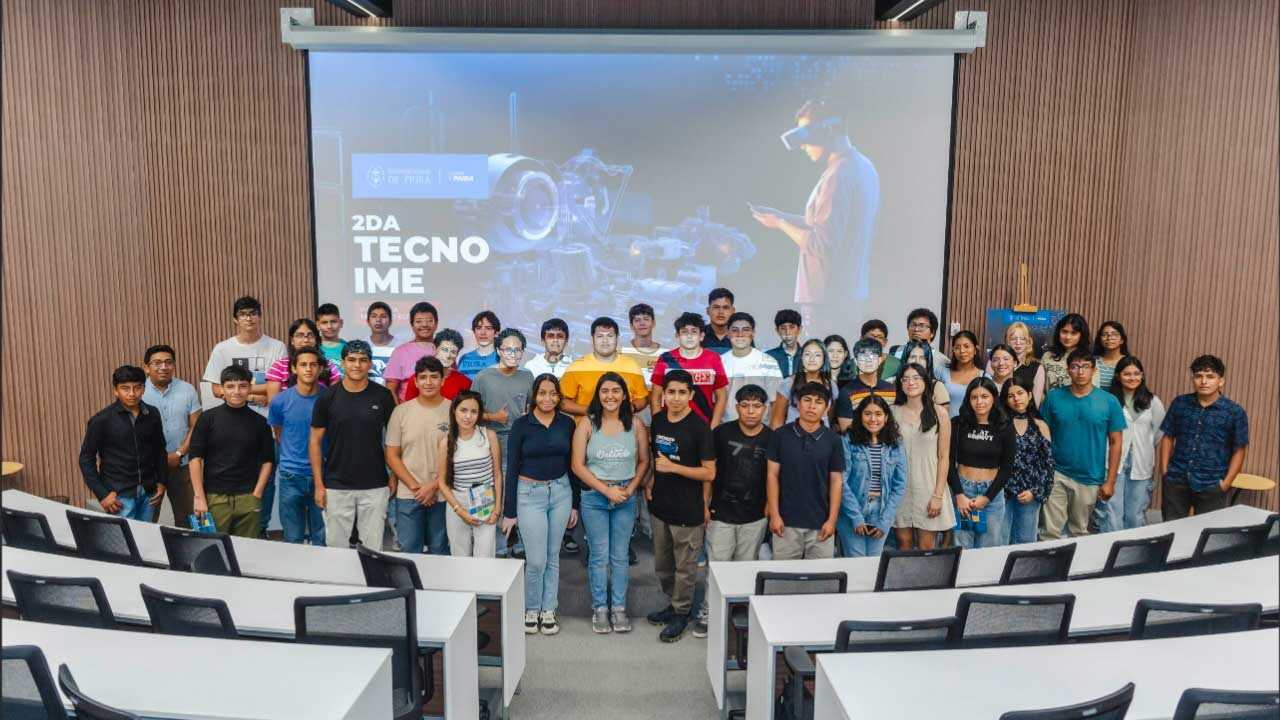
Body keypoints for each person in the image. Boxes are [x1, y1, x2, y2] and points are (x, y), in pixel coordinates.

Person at [751, 98, 879, 327]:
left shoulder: (837, 177)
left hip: (826, 301)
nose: (802, 146)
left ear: (826, 132)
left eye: (806, 137)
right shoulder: (862, 166)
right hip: (848, 294)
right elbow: (828, 226)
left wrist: (780, 223)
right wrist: (780, 216)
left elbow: (821, 244)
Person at [573, 372, 650, 634]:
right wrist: (607, 491)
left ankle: (618, 608)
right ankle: (600, 609)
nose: (610, 396)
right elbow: (577, 465)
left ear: (624, 395)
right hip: (595, 497)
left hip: (625, 497)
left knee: (619, 556)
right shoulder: (587, 423)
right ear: (598, 395)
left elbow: (644, 461)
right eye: (605, 391)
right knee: (599, 556)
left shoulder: (635, 424)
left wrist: (630, 488)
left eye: (616, 391)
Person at [502, 374, 577, 635]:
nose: (548, 398)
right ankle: (531, 608)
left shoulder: (567, 423)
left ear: (559, 396)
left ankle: (548, 609)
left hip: (561, 493)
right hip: (529, 495)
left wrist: (575, 504)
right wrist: (510, 511)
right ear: (534, 395)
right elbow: (512, 468)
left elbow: (572, 465)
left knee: (553, 556)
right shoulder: (521, 425)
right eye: (542, 393)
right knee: (535, 560)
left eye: (553, 393)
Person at [645, 370, 717, 642]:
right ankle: (673, 604)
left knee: (685, 569)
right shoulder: (659, 420)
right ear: (663, 394)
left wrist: (674, 468)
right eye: (671, 392)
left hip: (688, 510)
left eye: (682, 393)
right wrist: (651, 478)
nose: (675, 398)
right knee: (663, 565)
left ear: (691, 395)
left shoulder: (700, 428)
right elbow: (655, 458)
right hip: (660, 506)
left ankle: (682, 613)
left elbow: (709, 472)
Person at [310, 340, 396, 548]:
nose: (357, 365)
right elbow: (314, 441)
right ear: (342, 363)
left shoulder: (383, 396)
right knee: (336, 549)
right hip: (336, 484)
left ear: (370, 364)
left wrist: (394, 476)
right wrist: (319, 485)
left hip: (375, 484)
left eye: (363, 360)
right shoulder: (327, 397)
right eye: (352, 360)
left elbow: (395, 440)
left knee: (373, 549)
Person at [1038, 350, 1126, 540]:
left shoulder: (1109, 401)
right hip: (1056, 473)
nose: (1080, 371)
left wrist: (1110, 482)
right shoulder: (1054, 397)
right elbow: (1042, 434)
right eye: (1075, 367)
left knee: (1079, 531)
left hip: (1090, 476)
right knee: (1049, 532)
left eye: (1085, 366)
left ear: (1094, 370)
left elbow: (1116, 441)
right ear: (1068, 370)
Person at [1158, 355, 1248, 520]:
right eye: (1198, 376)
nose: (1203, 381)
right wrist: (1165, 472)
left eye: (1210, 376)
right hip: (1176, 479)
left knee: (1206, 532)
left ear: (1221, 381)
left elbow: (1239, 450)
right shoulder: (1180, 403)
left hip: (1212, 484)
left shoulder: (1235, 412)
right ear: (1193, 379)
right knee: (1170, 528)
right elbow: (1168, 436)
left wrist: (1226, 483)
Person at [189, 365, 274, 538]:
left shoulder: (260, 422)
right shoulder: (207, 419)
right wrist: (199, 497)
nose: (236, 391)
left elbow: (268, 461)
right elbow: (195, 459)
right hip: (215, 498)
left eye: (242, 386)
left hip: (248, 498)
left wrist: (257, 493)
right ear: (222, 389)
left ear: (249, 388)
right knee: (215, 548)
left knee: (247, 549)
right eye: (230, 386)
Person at [766, 382, 845, 559]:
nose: (812, 406)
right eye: (807, 400)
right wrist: (774, 515)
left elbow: (836, 481)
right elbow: (772, 475)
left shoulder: (833, 440)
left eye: (819, 402)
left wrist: (832, 520)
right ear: (798, 404)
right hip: (785, 523)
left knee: (821, 575)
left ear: (826, 409)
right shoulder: (780, 435)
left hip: (821, 524)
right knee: (783, 574)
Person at [474, 328, 534, 558]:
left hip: (520, 443)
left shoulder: (527, 376)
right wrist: (493, 417)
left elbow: (533, 407)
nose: (513, 354)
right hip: (489, 442)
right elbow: (468, 412)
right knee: (488, 493)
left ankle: (520, 545)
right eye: (508, 349)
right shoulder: (483, 377)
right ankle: (495, 547)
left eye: (518, 350)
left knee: (520, 493)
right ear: (498, 350)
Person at [79, 366, 168, 521]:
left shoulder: (152, 414)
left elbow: (160, 450)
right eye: (125, 388)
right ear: (115, 390)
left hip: (149, 494)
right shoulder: (102, 420)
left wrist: (162, 481)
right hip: (119, 496)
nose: (132, 394)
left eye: (137, 388)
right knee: (123, 537)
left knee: (146, 535)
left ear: (144, 388)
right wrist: (102, 494)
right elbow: (86, 459)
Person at [386, 356, 452, 556]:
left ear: (443, 380)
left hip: (443, 494)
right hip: (409, 494)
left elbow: (457, 456)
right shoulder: (401, 412)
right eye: (423, 377)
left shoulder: (454, 411)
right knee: (409, 552)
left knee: (440, 551)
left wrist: (433, 486)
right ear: (415, 381)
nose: (428, 382)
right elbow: (392, 455)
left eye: (434, 377)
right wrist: (417, 488)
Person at [706, 385, 773, 577]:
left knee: (745, 572)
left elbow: (775, 476)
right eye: (745, 405)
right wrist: (704, 505)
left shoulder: (772, 438)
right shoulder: (721, 433)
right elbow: (708, 472)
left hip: (755, 517)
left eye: (756, 406)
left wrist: (770, 505)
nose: (751, 411)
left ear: (764, 409)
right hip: (720, 515)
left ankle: (741, 599)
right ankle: (711, 600)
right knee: (717, 571)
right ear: (736, 407)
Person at [1095, 356, 1165, 531]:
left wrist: (1143, 445)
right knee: (1111, 513)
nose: (1132, 378)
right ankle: (1111, 547)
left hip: (1141, 461)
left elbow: (1159, 432)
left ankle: (1134, 548)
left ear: (1142, 375)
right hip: (1112, 461)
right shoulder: (1108, 400)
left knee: (1136, 514)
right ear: (1118, 376)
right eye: (1127, 374)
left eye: (1136, 374)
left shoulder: (1153, 401)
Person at [890, 363, 955, 550]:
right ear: (900, 384)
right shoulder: (892, 413)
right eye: (905, 379)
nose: (911, 383)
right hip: (900, 487)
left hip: (929, 486)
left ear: (926, 382)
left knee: (927, 546)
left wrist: (938, 495)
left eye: (916, 378)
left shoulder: (939, 413)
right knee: (903, 543)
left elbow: (944, 457)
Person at [267, 347, 326, 545]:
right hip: (290, 476)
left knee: (322, 538)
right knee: (293, 539)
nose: (308, 369)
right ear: (294, 369)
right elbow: (278, 433)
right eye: (303, 364)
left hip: (324, 476)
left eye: (313, 364)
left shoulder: (330, 398)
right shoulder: (280, 401)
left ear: (320, 369)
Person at [947, 377, 1014, 548]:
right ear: (968, 399)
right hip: (963, 491)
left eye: (985, 396)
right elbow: (948, 462)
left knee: (989, 549)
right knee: (962, 547)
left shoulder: (1005, 426)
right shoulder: (958, 424)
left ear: (994, 398)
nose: (979, 402)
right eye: (974, 397)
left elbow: (1007, 467)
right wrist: (959, 494)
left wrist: (987, 497)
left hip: (992, 493)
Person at [838, 395, 907, 557]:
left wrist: (885, 521)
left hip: (881, 511)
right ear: (860, 416)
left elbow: (899, 485)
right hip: (852, 510)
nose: (873, 419)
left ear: (886, 417)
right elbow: (841, 481)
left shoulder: (896, 443)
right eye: (867, 414)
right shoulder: (848, 440)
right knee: (857, 561)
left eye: (878, 414)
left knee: (874, 563)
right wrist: (856, 517)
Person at [436, 391, 503, 557]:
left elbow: (497, 474)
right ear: (454, 410)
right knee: (459, 555)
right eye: (463, 410)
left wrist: (497, 510)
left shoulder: (489, 436)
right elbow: (442, 482)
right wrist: (459, 510)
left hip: (483, 497)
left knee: (485, 556)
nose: (468, 416)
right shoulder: (446, 442)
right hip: (457, 500)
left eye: (474, 411)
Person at [142, 344, 201, 524]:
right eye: (157, 363)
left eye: (168, 362)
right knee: (146, 520)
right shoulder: (138, 392)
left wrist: (179, 453)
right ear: (146, 367)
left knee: (188, 520)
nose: (164, 367)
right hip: (149, 468)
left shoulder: (187, 389)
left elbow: (196, 426)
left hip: (182, 464)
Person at [204, 295, 287, 412]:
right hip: (234, 417)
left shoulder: (278, 347)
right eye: (243, 314)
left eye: (253, 313)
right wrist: (253, 397)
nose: (248, 318)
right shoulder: (221, 349)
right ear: (235, 319)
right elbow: (216, 390)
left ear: (260, 317)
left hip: (268, 417)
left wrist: (239, 390)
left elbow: (281, 387)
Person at [999, 375, 1054, 545]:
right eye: (1010, 395)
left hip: (1029, 494)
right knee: (1000, 541)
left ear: (1029, 395)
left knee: (1025, 543)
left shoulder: (1040, 425)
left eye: (1020, 393)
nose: (1016, 399)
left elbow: (1048, 465)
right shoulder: (999, 425)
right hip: (1002, 493)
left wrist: (1035, 491)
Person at [650, 312, 729, 427]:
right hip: (671, 425)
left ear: (702, 336)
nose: (689, 336)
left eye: (694, 332)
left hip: (704, 425)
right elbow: (655, 397)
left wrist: (714, 425)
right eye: (684, 332)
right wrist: (658, 425)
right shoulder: (666, 358)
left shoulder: (713, 358)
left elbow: (721, 396)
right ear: (677, 335)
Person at [561, 317, 650, 418]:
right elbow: (562, 401)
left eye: (610, 336)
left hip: (623, 425)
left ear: (617, 339)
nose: (605, 341)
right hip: (586, 426)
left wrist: (630, 408)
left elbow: (642, 398)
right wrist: (592, 411)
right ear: (592, 339)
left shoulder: (631, 365)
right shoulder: (576, 366)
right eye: (600, 336)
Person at [719, 312, 784, 423]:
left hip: (762, 427)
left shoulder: (768, 362)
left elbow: (776, 402)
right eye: (735, 330)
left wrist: (773, 430)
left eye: (745, 330)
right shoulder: (719, 362)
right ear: (728, 333)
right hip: (726, 426)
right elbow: (715, 401)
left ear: (753, 333)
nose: (740, 334)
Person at [265, 318, 341, 403]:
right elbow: (274, 405)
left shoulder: (328, 365)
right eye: (300, 336)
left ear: (316, 339)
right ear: (292, 340)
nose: (306, 340)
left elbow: (336, 402)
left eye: (310, 335)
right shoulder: (278, 367)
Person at [834, 336, 896, 431]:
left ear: (879, 360)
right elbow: (846, 430)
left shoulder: (891, 390)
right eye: (863, 356)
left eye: (873, 356)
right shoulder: (846, 392)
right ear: (856, 361)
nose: (868, 360)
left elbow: (893, 423)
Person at [770, 339, 834, 428]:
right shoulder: (788, 383)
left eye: (817, 355)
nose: (812, 359)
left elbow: (829, 417)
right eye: (807, 354)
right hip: (793, 435)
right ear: (801, 357)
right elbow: (777, 421)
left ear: (824, 359)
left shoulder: (831, 385)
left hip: (821, 435)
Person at [384, 301, 439, 402]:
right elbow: (391, 390)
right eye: (419, 321)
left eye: (429, 321)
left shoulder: (445, 351)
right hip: (407, 409)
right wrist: (400, 410)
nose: (424, 325)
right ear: (412, 324)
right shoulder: (400, 352)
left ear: (436, 324)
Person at [401, 329, 472, 402]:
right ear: (434, 349)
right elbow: (409, 407)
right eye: (444, 350)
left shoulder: (465, 382)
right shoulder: (417, 380)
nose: (448, 355)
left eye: (453, 352)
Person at [940, 330, 988, 418]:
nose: (962, 351)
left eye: (966, 346)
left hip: (973, 424)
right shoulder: (941, 372)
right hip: (945, 423)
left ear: (975, 350)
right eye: (957, 347)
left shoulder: (984, 376)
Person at [1041, 313, 1093, 392]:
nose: (1068, 337)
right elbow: (1039, 386)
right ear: (1058, 332)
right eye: (1064, 332)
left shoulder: (1088, 359)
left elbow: (1092, 391)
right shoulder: (1047, 356)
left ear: (1082, 335)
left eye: (1074, 333)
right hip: (1049, 399)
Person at [899, 338, 953, 409]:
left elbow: (943, 415)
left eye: (922, 358)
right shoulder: (896, 384)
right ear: (905, 360)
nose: (917, 362)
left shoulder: (937, 386)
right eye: (913, 357)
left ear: (928, 361)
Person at [620, 303, 664, 387]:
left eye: (646, 319)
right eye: (637, 320)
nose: (642, 323)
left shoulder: (665, 353)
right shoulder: (622, 352)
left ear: (653, 323)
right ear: (631, 326)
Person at [1003, 321, 1046, 405]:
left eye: (1022, 339)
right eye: (1013, 339)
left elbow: (1035, 404)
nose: (1018, 342)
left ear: (1029, 341)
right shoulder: (996, 363)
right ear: (1007, 341)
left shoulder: (1037, 368)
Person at [457, 310, 501, 380]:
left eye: (488, 328)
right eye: (478, 328)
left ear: (496, 333)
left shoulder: (502, 358)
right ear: (473, 332)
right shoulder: (465, 358)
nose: (483, 333)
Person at [364, 301, 398, 385]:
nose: (378, 320)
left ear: (390, 321)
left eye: (383, 316)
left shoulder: (400, 346)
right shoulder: (362, 346)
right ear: (368, 321)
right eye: (374, 316)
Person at [1092, 321, 1129, 391]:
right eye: (1105, 334)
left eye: (1114, 334)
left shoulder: (1128, 362)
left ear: (1122, 340)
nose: (1109, 337)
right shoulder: (1092, 361)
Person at [765, 309, 803, 378]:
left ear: (799, 329)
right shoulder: (768, 357)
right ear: (777, 331)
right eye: (783, 328)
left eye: (792, 327)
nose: (788, 332)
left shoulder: (806, 355)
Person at [315, 303, 347, 370]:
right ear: (318, 325)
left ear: (341, 323)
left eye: (333, 322)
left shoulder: (348, 349)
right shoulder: (313, 348)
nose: (329, 326)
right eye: (324, 322)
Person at [703, 288, 735, 353]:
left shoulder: (741, 335)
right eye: (716, 307)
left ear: (733, 311)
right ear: (708, 311)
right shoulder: (698, 335)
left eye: (725, 308)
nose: (721, 312)